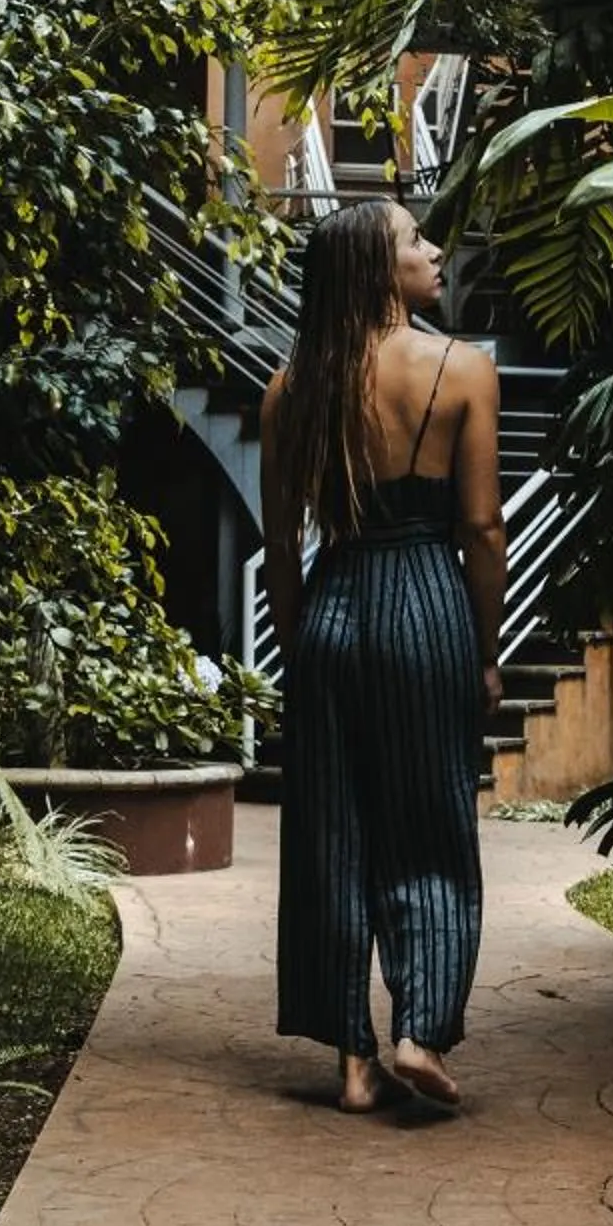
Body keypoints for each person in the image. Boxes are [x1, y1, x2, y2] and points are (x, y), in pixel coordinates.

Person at [260, 198, 505, 1112]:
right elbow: (480, 527)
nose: (434, 250)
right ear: (376, 268)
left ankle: (353, 1063)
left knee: (330, 833)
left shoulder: (293, 386)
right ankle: (420, 1031)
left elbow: (282, 544)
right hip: (425, 604)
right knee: (430, 824)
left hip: (332, 605)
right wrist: (484, 650)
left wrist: (301, 647)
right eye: (414, 240)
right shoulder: (463, 370)